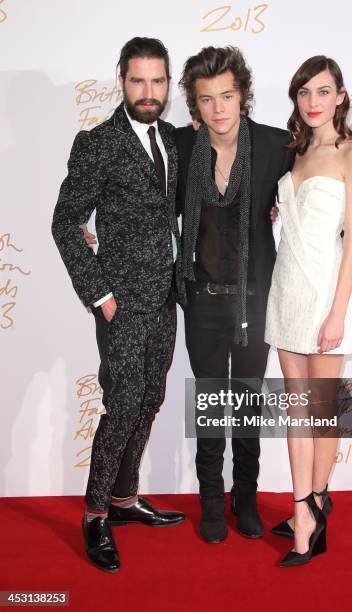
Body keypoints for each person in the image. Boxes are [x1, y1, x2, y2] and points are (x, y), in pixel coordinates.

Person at [52, 37, 186, 574]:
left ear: (168, 85)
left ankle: (126, 499)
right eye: (138, 81)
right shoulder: (98, 143)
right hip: (122, 304)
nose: (148, 92)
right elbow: (66, 223)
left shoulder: (173, 142)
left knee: (150, 398)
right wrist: (101, 295)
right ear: (121, 81)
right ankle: (94, 514)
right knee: (122, 406)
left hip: (165, 300)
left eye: (158, 81)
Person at [175, 47, 293, 543]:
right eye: (207, 99)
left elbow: (319, 182)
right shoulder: (178, 147)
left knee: (245, 402)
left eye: (227, 95)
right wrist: (94, 228)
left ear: (243, 95)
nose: (218, 107)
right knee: (209, 403)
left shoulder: (274, 145)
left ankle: (245, 498)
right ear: (195, 106)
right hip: (201, 299)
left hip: (254, 299)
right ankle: (209, 501)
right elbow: (138, 194)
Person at [265, 55, 352, 566]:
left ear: (341, 96)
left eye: (323, 92)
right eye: (304, 93)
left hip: (329, 298)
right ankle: (306, 506)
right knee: (298, 414)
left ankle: (310, 508)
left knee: (321, 415)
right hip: (286, 295)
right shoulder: (293, 154)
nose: (312, 102)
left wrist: (336, 313)